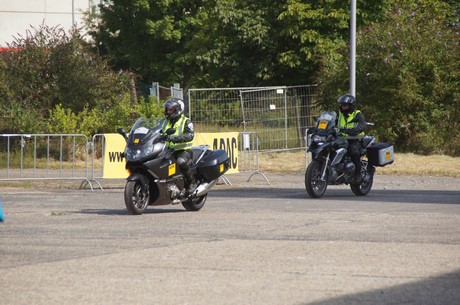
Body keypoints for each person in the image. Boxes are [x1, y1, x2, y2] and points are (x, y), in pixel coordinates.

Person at [161, 97, 196, 194]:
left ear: (178, 110)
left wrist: (173, 138)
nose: (168, 111)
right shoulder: (164, 122)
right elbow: (156, 131)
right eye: (167, 109)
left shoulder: (186, 121)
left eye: (171, 109)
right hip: (167, 150)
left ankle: (191, 182)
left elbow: (189, 135)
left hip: (182, 150)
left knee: (180, 162)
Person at [336, 94, 366, 184]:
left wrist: (356, 129)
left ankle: (358, 172)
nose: (342, 107)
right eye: (341, 105)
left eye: (344, 105)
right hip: (341, 139)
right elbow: (332, 121)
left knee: (353, 151)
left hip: (355, 139)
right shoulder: (339, 114)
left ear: (351, 105)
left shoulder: (357, 114)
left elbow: (362, 125)